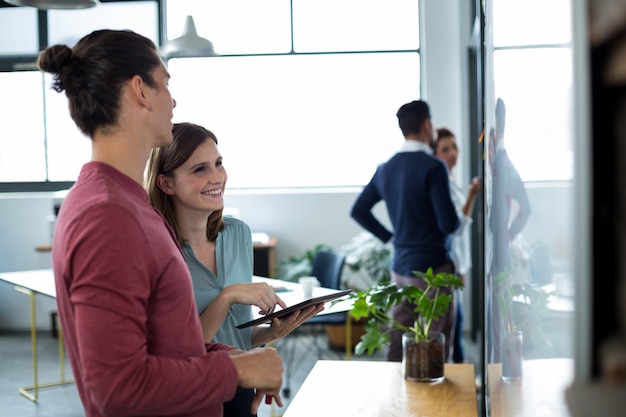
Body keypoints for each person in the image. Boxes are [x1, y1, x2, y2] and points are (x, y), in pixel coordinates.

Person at [40, 29, 283, 417]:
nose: (174, 100)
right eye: (166, 84)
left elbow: (169, 344)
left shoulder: (124, 203)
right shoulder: (108, 216)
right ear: (140, 90)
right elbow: (116, 389)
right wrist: (233, 368)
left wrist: (239, 359)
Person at [145, 122, 324, 417]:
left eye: (218, 163)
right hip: (190, 393)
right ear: (166, 183)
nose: (217, 177)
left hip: (241, 382)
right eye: (199, 169)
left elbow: (230, 336)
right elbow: (178, 352)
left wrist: (271, 332)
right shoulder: (158, 251)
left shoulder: (239, 234)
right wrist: (226, 297)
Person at [350, 100, 461, 362]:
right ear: (427, 125)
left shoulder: (386, 168)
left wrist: (391, 238)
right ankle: (433, 400)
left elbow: (359, 211)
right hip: (434, 270)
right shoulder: (434, 167)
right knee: (434, 341)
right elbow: (448, 225)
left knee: (398, 338)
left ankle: (395, 398)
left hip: (400, 268)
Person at [487, 97, 531, 362]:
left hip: (499, 257)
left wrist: (507, 235)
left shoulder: (504, 164)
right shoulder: (495, 164)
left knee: (501, 321)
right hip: (496, 253)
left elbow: (526, 210)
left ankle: (503, 373)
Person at [433, 127, 482, 363]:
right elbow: (455, 228)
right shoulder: (441, 183)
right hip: (450, 262)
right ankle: (459, 370)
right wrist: (472, 195)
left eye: (454, 146)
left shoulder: (450, 179)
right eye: (445, 149)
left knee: (456, 320)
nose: (453, 153)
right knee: (455, 321)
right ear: (435, 154)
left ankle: (460, 371)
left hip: (457, 261)